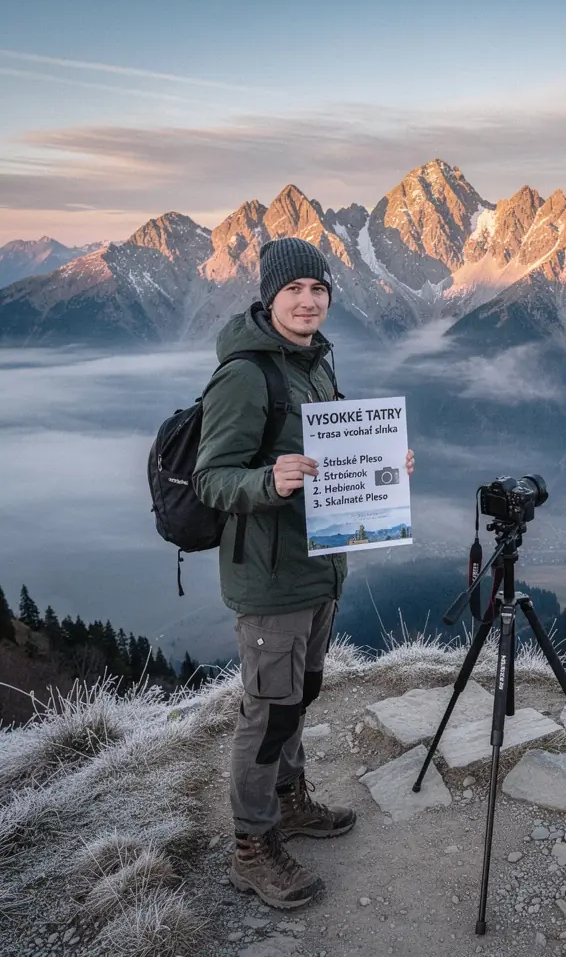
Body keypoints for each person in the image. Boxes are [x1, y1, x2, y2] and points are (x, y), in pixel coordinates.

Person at [193, 236, 414, 909]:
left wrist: (386, 470)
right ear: (269, 296)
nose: (309, 300)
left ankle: (289, 803)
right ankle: (249, 846)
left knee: (298, 694)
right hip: (269, 577)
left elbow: (337, 447)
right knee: (266, 712)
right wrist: (268, 479)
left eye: (318, 289)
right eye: (295, 289)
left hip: (319, 565)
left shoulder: (313, 365)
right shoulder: (246, 375)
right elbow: (210, 479)